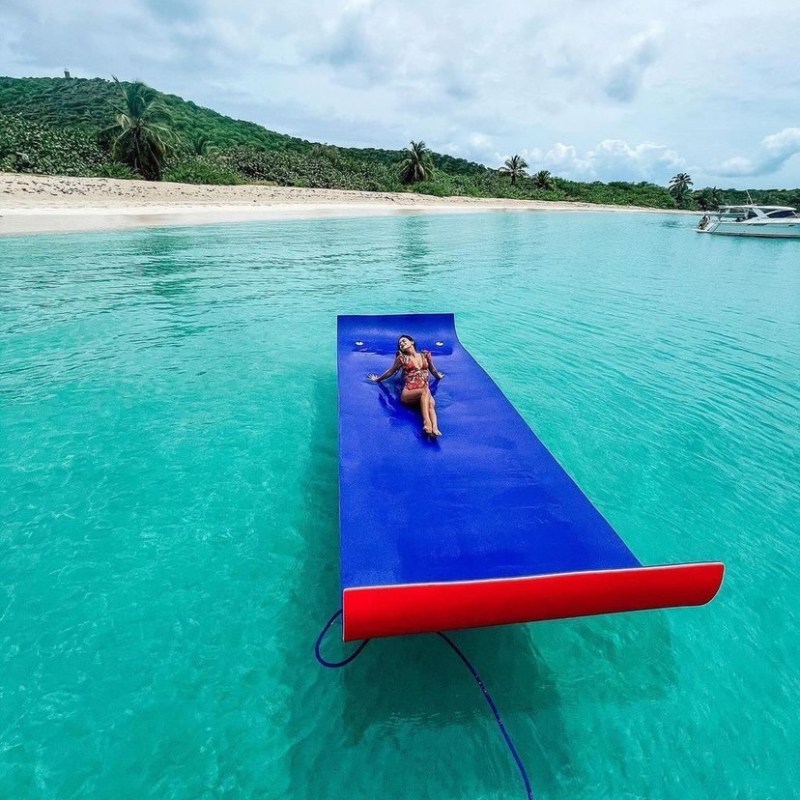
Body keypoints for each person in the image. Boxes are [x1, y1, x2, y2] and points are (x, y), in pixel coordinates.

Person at [368, 334, 445, 437]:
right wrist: (378, 379)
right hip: (409, 392)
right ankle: (427, 422)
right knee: (425, 391)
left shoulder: (425, 355)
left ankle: (435, 428)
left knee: (431, 403)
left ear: (411, 342)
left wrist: (438, 376)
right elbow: (391, 371)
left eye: (404, 341)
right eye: (400, 344)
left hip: (423, 392)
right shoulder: (402, 358)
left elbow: (432, 369)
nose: (401, 344)